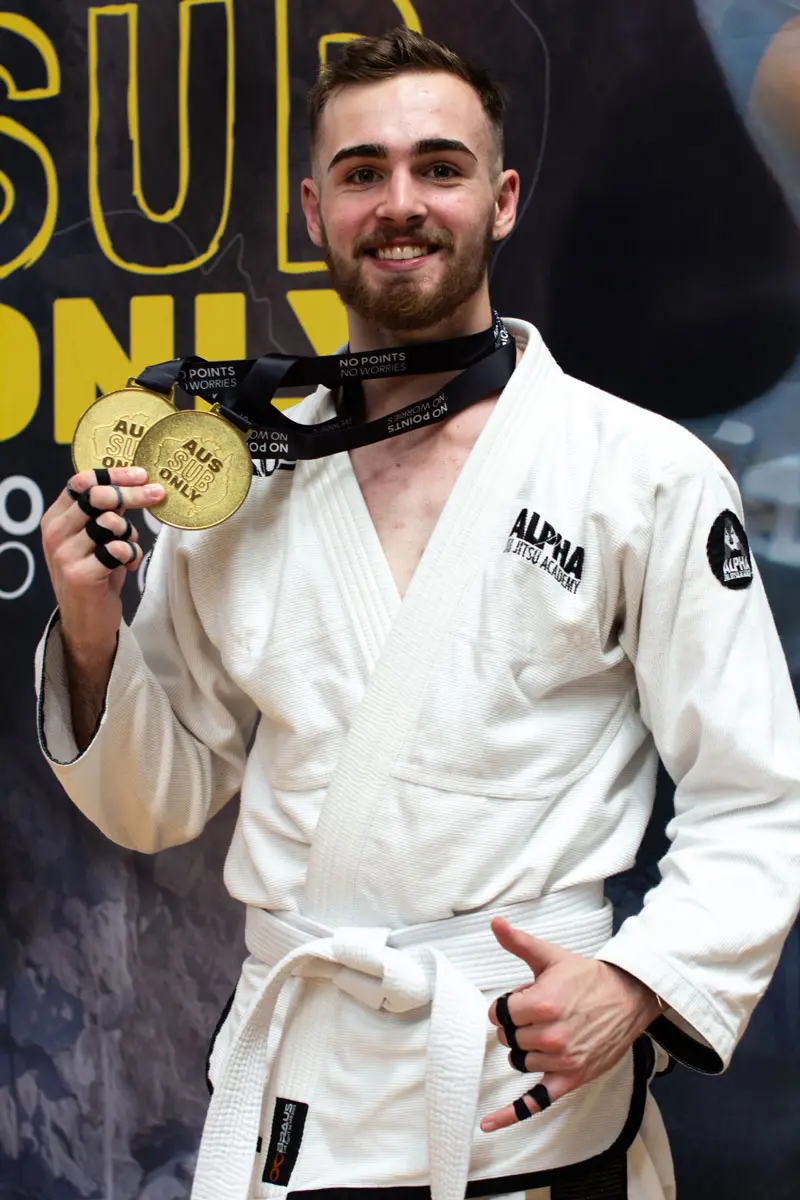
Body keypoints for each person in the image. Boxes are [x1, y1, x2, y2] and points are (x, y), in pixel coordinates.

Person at [36, 26, 800, 1200]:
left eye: (437, 168)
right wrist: (90, 621)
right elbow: (157, 799)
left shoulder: (636, 474)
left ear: (498, 201)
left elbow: (755, 794)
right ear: (312, 209)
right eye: (362, 172)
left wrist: (639, 980)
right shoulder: (236, 479)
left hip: (513, 1088)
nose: (400, 203)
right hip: (300, 1103)